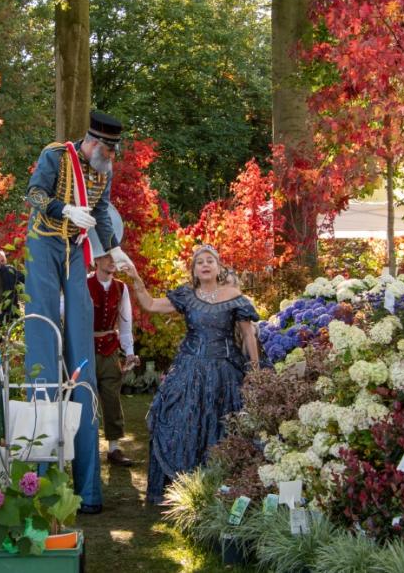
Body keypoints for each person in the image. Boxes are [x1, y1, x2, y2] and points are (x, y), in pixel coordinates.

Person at [23, 110, 135, 514]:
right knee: (43, 336)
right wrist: (64, 210)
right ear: (91, 143)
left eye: (113, 151)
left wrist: (113, 246)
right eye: (107, 149)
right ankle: (39, 484)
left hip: (76, 251)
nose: (109, 156)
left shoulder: (103, 171)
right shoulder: (56, 154)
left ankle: (88, 491)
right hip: (44, 244)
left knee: (80, 353)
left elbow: (102, 211)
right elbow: (34, 194)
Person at [122, 245, 260, 505]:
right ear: (195, 271)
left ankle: (222, 488)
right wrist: (136, 279)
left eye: (210, 261)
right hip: (190, 370)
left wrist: (254, 369)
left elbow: (248, 334)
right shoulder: (187, 296)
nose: (205, 265)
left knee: (221, 424)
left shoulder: (233, 295)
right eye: (200, 262)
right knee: (180, 419)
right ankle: (184, 488)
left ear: (218, 268)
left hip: (225, 372)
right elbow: (150, 304)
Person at [88, 251, 141, 467]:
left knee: (111, 397)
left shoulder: (121, 287)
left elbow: (125, 322)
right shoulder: (82, 283)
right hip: (85, 348)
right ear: (96, 260)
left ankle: (113, 448)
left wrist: (129, 352)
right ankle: (85, 447)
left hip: (109, 347)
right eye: (106, 257)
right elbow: (65, 310)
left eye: (114, 258)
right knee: (83, 397)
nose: (111, 262)